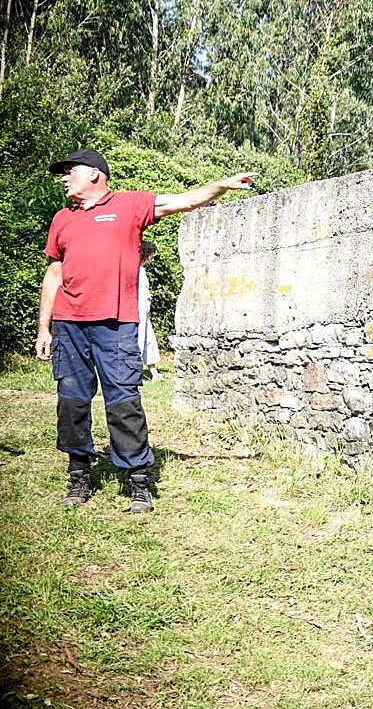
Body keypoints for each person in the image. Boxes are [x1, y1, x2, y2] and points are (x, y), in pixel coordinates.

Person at [34, 148, 256, 512]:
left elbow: (184, 201)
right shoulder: (62, 219)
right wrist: (45, 328)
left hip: (116, 324)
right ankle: (78, 475)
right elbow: (54, 274)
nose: (63, 178)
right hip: (70, 325)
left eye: (69, 171)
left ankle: (138, 480)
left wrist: (222, 185)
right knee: (71, 403)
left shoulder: (130, 206)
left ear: (94, 174)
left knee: (123, 402)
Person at [138, 240, 162, 382]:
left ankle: (154, 373)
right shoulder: (135, 271)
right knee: (139, 340)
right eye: (151, 254)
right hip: (138, 309)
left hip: (144, 310)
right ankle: (135, 374)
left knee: (149, 339)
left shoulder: (141, 270)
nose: (152, 257)